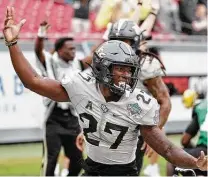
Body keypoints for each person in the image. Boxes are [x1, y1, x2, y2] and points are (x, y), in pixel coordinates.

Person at [3, 6, 208, 176]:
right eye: (120, 68)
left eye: (129, 70)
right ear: (102, 68)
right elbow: (33, 81)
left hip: (123, 172)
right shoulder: (82, 85)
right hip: (92, 167)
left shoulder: (137, 102)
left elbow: (168, 148)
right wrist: (12, 43)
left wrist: (194, 162)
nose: (126, 75)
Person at [106, 10, 171, 177]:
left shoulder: (145, 64)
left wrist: (155, 132)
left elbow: (164, 101)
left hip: (134, 130)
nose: (119, 46)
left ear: (134, 42)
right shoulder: (105, 63)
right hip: (107, 127)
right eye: (115, 41)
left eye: (124, 41)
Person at [35, 21, 85, 176]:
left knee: (77, 161)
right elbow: (38, 52)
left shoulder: (76, 63)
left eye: (75, 48)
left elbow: (92, 58)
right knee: (51, 160)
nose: (74, 52)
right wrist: (41, 34)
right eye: (70, 49)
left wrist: (107, 39)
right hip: (54, 118)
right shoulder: (50, 60)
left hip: (72, 118)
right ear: (60, 50)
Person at [167, 89, 208, 176]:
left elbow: (185, 140)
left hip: (204, 151)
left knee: (173, 157)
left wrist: (197, 148)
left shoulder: (202, 106)